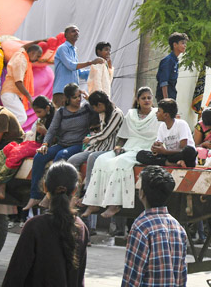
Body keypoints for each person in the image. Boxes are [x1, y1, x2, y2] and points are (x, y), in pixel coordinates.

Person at [2, 161, 88, 287]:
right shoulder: (81, 227)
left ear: (45, 187)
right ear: (75, 190)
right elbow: (79, 277)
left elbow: (15, 275)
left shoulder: (34, 226)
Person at [82, 87, 158, 218]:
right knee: (101, 160)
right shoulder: (131, 114)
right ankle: (93, 203)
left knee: (121, 162)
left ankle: (114, 205)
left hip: (144, 148)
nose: (146, 100)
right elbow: (123, 136)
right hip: (128, 147)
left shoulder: (157, 115)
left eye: (149, 98)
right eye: (143, 98)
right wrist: (118, 146)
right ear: (138, 100)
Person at [24, 84, 96, 211]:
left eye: (79, 96)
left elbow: (99, 109)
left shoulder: (86, 109)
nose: (78, 99)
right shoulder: (61, 112)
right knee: (39, 156)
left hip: (78, 145)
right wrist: (45, 144)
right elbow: (51, 131)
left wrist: (89, 98)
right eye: (75, 97)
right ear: (67, 99)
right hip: (62, 143)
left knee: (61, 155)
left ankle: (49, 193)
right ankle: (35, 195)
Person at [121, 165, 188, 287]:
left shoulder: (141, 227)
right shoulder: (178, 228)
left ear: (142, 193)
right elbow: (181, 277)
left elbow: (131, 278)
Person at [67, 91, 125, 194]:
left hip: (110, 148)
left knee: (92, 157)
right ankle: (74, 193)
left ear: (100, 105)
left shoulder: (117, 113)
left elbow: (105, 134)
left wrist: (90, 139)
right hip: (98, 147)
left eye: (94, 107)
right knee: (72, 160)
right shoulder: (103, 111)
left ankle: (88, 192)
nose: (94, 110)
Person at [135, 98, 198, 168]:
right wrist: (155, 148)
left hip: (183, 156)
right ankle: (170, 163)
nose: (156, 113)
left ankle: (173, 162)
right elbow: (159, 144)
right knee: (140, 155)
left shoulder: (181, 124)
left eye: (158, 111)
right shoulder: (162, 126)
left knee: (190, 151)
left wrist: (165, 152)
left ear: (166, 115)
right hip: (171, 157)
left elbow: (183, 148)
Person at [53, 26, 102, 106]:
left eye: (77, 31)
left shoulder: (74, 50)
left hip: (73, 93)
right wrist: (91, 62)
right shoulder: (63, 48)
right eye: (73, 31)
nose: (76, 33)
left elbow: (79, 73)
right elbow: (71, 66)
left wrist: (97, 70)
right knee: (62, 116)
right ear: (66, 35)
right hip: (62, 92)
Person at [1, 43, 37, 128]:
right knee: (21, 117)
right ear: (31, 53)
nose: (37, 59)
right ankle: (4, 135)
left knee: (12, 118)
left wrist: (42, 40)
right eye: (37, 56)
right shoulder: (21, 60)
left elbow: (24, 46)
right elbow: (18, 82)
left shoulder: (21, 53)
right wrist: (29, 98)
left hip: (11, 94)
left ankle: (4, 136)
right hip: (10, 93)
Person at [156, 32, 187, 100]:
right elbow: (164, 82)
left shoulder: (175, 60)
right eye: (182, 43)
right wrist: (166, 100)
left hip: (172, 95)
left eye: (185, 43)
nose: (185, 45)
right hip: (165, 97)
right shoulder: (168, 61)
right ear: (175, 45)